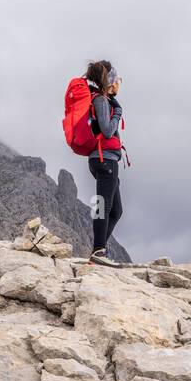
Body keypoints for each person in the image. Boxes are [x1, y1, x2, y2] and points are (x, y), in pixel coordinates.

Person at [84, 59, 125, 266]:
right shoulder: (100, 100)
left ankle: (98, 251)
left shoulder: (106, 100)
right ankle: (98, 252)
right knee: (102, 205)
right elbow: (107, 131)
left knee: (116, 210)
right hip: (104, 159)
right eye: (117, 78)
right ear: (110, 80)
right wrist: (118, 113)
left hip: (107, 160)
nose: (120, 81)